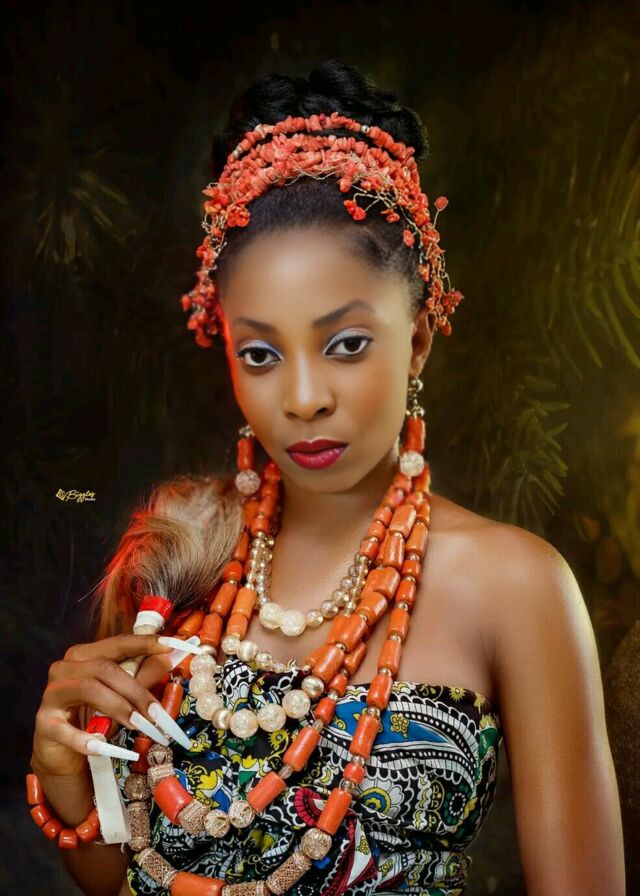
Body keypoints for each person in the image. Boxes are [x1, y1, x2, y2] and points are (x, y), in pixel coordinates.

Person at [28, 59, 625, 896]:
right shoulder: (179, 551)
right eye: (260, 354)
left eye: (346, 343)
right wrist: (64, 773)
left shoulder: (516, 585)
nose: (304, 398)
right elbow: (123, 876)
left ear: (417, 340)